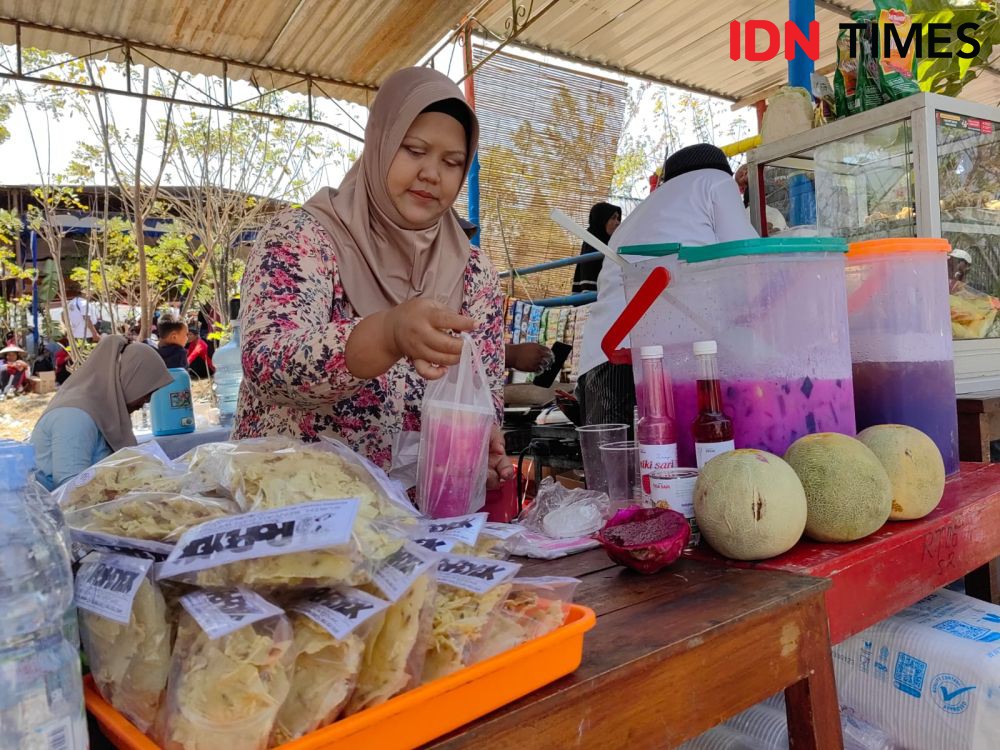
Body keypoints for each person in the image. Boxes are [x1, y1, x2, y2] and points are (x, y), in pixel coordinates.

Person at [234, 67, 512, 488]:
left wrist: (476, 454)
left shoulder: (475, 275)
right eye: (413, 150)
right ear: (379, 144)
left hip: (410, 530)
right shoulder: (304, 238)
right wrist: (386, 334)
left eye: (452, 162)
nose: (432, 174)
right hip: (286, 515)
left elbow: (482, 396)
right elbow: (268, 364)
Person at [576, 143, 758, 428]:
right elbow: (748, 261)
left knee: (615, 470)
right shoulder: (716, 182)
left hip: (599, 359)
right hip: (652, 362)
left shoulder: (642, 212)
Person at [30, 335, 172, 490]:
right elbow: (71, 488)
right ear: (127, 379)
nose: (147, 401)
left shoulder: (103, 408)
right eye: (145, 392)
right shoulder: (75, 416)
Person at [571, 202, 622, 295]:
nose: (618, 222)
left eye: (618, 218)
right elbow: (589, 291)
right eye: (613, 218)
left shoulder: (611, 245)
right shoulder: (592, 244)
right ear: (601, 221)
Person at [64, 280, 101, 344]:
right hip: (86, 335)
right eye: (91, 291)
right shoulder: (84, 303)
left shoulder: (71, 302)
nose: (93, 293)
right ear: (84, 291)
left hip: (75, 334)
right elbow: (87, 319)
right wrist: (95, 333)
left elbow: (63, 315)